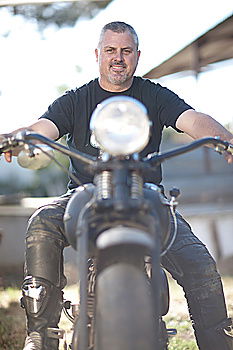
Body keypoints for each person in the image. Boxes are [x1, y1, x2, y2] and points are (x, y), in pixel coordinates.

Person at [2, 21, 233, 350]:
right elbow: (44, 128)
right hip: (84, 194)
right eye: (110, 50)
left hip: (147, 196)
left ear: (137, 56)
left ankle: (217, 343)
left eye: (126, 51)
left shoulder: (154, 95)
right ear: (98, 55)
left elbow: (192, 119)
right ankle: (40, 334)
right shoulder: (76, 100)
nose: (118, 58)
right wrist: (19, 138)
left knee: (200, 263)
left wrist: (224, 138)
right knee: (41, 224)